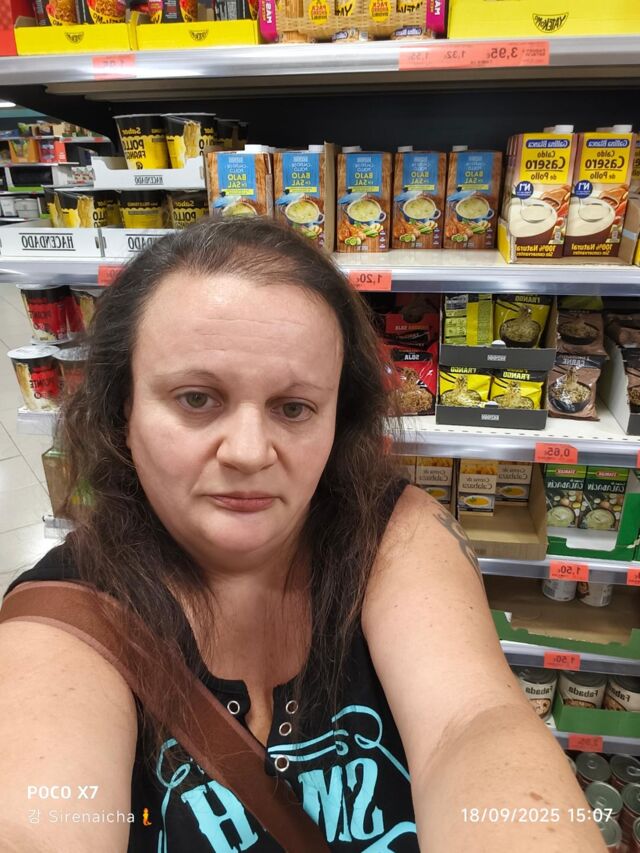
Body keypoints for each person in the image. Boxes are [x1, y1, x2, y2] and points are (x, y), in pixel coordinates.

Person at [0, 218, 604, 853]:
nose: (249, 452)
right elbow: (38, 813)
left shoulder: (393, 536)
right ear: (123, 408)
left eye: (294, 408)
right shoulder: (64, 619)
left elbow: (474, 723)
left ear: (339, 420)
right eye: (197, 399)